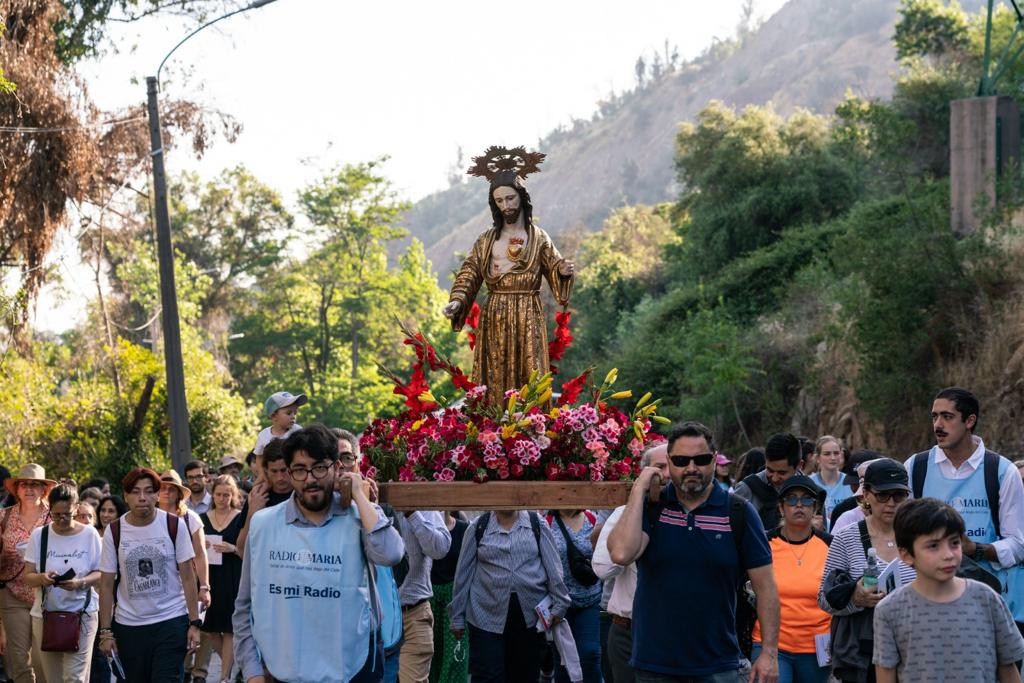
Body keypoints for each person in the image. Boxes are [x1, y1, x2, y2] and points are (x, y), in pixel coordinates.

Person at [607, 421, 780, 683]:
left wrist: (769, 653)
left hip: (717, 666)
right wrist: (640, 488)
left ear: (713, 459)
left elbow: (766, 586)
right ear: (668, 462)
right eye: (680, 460)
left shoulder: (738, 512)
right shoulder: (652, 509)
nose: (691, 468)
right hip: (654, 666)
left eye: (700, 459)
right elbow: (621, 553)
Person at [233, 423, 404, 683]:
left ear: (337, 468)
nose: (310, 478)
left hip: (352, 668)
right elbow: (245, 604)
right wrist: (252, 671)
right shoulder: (264, 524)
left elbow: (391, 554)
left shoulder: (359, 518)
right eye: (300, 470)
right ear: (289, 475)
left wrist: (359, 496)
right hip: (282, 672)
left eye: (319, 467)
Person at [443, 145, 575, 403]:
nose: (506, 205)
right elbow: (469, 272)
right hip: (495, 315)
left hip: (528, 314)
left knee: (530, 374)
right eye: (500, 200)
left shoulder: (538, 237)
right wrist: (458, 301)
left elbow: (556, 267)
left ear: (522, 197)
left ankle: (532, 429)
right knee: (494, 375)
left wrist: (563, 271)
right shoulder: (487, 240)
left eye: (510, 198)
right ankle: (492, 431)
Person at [904, 387, 1024, 634]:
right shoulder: (916, 466)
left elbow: (1018, 544)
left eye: (947, 417)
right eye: (934, 416)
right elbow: (902, 533)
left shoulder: (1002, 471)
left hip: (986, 600)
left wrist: (976, 550)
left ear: (970, 421)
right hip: (926, 598)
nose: (938, 424)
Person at [873, 498, 1024, 683]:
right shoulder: (890, 610)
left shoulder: (987, 598)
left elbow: (1008, 669)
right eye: (933, 546)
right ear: (906, 554)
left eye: (954, 543)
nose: (948, 555)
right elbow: (885, 676)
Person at [97, 467, 202, 682]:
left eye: (148, 491)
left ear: (157, 494)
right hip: (129, 627)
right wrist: (106, 632)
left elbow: (188, 576)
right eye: (135, 492)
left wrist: (194, 622)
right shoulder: (115, 531)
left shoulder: (174, 525)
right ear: (126, 496)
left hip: (170, 621)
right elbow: (106, 585)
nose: (142, 497)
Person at [817, 459, 916, 683]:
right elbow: (824, 598)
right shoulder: (847, 537)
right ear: (867, 495)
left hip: (914, 650)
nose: (891, 503)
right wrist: (856, 598)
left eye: (898, 496)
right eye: (883, 495)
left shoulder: (920, 535)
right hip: (863, 657)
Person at [449, 506, 571, 683]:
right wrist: (457, 616)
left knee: (524, 675)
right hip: (486, 616)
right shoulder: (478, 527)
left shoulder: (537, 524)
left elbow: (553, 568)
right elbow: (463, 575)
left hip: (529, 618)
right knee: (489, 676)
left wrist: (560, 604)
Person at [592, 443, 669, 683]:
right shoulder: (624, 512)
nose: (665, 474)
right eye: (658, 467)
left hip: (671, 631)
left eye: (671, 465)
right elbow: (604, 568)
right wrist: (635, 508)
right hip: (627, 631)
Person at [751, 474, 831, 683]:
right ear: (781, 507)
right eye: (791, 499)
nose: (798, 505)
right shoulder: (764, 543)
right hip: (771, 644)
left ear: (815, 508)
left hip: (817, 647)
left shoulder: (830, 546)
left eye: (806, 500)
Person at [23, 485, 102, 683]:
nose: (61, 520)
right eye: (56, 515)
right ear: (50, 510)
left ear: (76, 508)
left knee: (74, 678)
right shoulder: (40, 535)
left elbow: (102, 573)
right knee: (53, 678)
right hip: (46, 616)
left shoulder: (90, 534)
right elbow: (28, 576)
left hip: (82, 614)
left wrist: (80, 583)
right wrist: (43, 578)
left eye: (66, 514)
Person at [0, 463, 56, 683]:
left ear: (44, 489)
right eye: (24, 484)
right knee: (19, 661)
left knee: (44, 660)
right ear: (17, 489)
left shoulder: (54, 516)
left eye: (35, 484)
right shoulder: (3, 518)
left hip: (46, 597)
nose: (29, 489)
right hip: (13, 596)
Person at [157, 470, 211, 683]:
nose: (166, 492)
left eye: (172, 489)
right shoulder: (148, 516)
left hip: (184, 588)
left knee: (183, 640)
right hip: (158, 588)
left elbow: (200, 554)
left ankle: (188, 674)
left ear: (179, 493)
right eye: (162, 488)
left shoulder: (191, 518)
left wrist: (205, 586)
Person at [545, 509, 601, 683]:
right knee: (563, 660)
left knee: (590, 653)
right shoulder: (546, 523)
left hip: (590, 599)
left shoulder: (592, 519)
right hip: (560, 604)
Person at [199, 475, 243, 683]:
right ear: (213, 494)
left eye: (227, 494)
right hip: (210, 576)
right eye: (218, 494)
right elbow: (193, 550)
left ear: (233, 495)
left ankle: (224, 677)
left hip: (233, 575)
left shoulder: (240, 517)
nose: (222, 498)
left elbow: (249, 550)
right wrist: (202, 546)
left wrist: (232, 548)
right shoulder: (203, 518)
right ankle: (231, 664)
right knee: (210, 629)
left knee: (230, 628)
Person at [734, 432, 805, 533]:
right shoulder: (747, 488)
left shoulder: (812, 492)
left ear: (799, 465)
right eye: (770, 470)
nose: (775, 478)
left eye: (782, 473)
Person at [428, 511, 469, 683]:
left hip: (455, 599)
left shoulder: (464, 529)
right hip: (429, 597)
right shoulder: (425, 529)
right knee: (429, 656)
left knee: (455, 657)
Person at [235, 438, 294, 556]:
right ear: (266, 470)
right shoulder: (258, 495)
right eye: (274, 471)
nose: (280, 477)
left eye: (284, 470)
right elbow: (241, 549)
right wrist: (252, 512)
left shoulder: (302, 494)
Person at [809, 436, 852, 528]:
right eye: (827, 454)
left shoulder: (850, 482)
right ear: (817, 458)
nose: (832, 458)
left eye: (836, 453)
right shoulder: (810, 482)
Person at [253, 390, 307, 457]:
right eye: (289, 413)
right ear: (274, 416)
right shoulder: (263, 436)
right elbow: (259, 458)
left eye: (295, 413)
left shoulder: (298, 431)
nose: (293, 416)